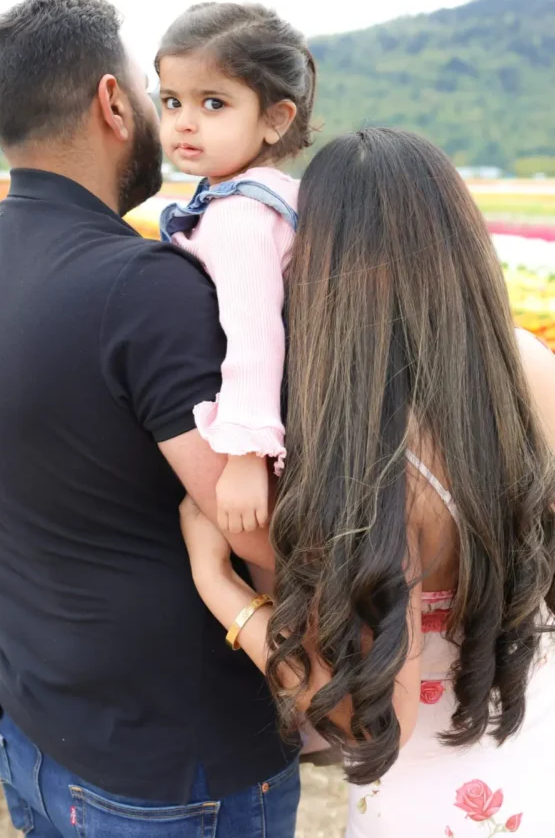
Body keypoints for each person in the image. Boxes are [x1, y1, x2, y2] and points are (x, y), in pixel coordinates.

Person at [0, 0, 301, 838]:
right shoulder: (141, 289)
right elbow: (257, 532)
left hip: (32, 734)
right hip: (168, 773)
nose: (166, 116)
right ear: (110, 102)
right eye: (152, 92)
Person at [181, 127, 555, 837]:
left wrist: (221, 588)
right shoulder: (528, 366)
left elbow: (368, 722)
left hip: (437, 808)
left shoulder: (373, 446)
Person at [158, 3, 315, 536]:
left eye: (213, 103)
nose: (185, 121)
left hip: (277, 430)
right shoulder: (272, 195)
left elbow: (254, 334)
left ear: (275, 119)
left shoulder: (239, 215)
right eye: (172, 101)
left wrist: (246, 456)